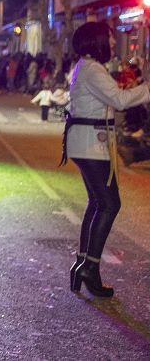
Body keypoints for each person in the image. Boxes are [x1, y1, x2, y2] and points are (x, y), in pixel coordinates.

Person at [64, 21, 150, 297]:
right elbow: (119, 100)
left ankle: (84, 263)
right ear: (98, 40)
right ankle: (89, 267)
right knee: (111, 203)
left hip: (88, 142)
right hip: (90, 144)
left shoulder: (86, 66)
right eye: (111, 38)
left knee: (99, 202)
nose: (113, 43)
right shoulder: (92, 68)